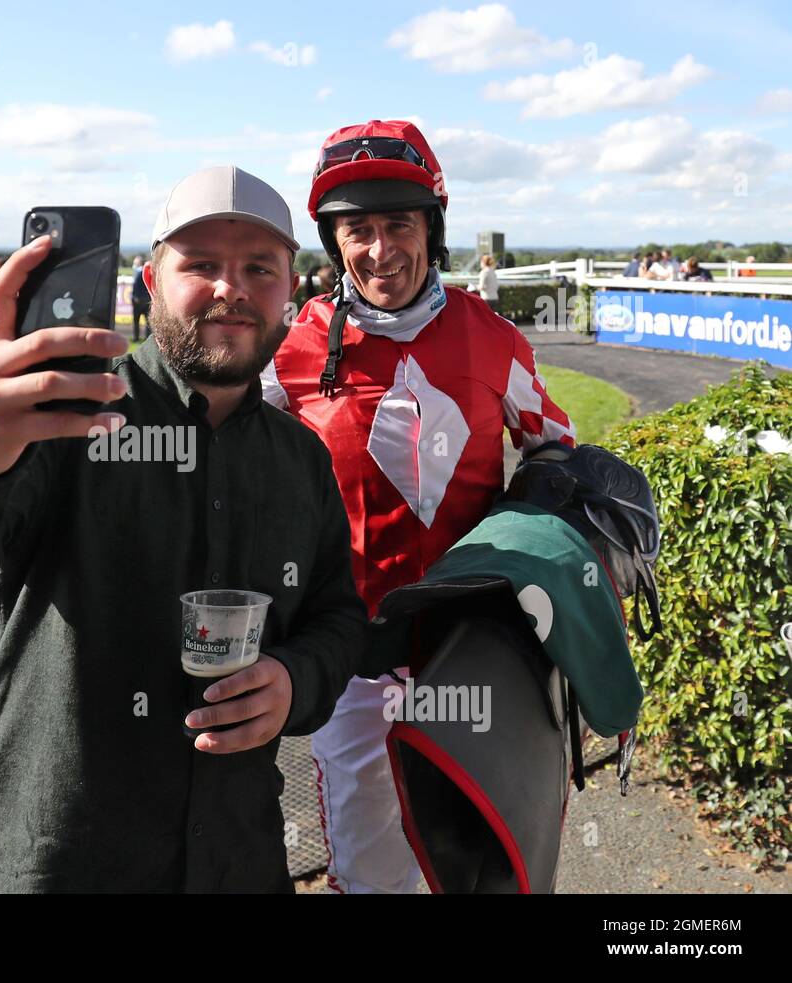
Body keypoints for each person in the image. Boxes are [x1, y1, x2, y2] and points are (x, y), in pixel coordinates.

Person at [0, 165, 372, 892]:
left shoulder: (300, 458)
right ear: (149, 282)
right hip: (44, 867)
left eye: (258, 268)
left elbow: (338, 618)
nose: (229, 288)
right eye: (202, 264)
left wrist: (291, 678)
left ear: (290, 289)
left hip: (238, 864)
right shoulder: (58, 421)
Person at [260, 119, 576, 894]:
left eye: (397, 224)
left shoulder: (494, 338)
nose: (378, 249)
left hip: (474, 655)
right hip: (350, 660)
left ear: (430, 228)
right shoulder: (289, 352)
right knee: (369, 873)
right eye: (356, 229)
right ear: (333, 243)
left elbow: (556, 451)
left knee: (481, 869)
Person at [131, 254, 151, 341]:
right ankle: (147, 338)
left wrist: (134, 297)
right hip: (147, 300)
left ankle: (136, 338)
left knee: (137, 321)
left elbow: (136, 287)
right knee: (148, 322)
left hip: (138, 301)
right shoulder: (146, 272)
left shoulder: (138, 273)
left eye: (135, 262)